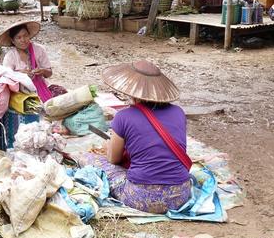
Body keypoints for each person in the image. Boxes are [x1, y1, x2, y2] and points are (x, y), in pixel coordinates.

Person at [74, 60, 191, 214]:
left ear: (131, 90)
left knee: (88, 158)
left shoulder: (123, 117)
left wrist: (109, 145)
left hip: (141, 198)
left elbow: (113, 160)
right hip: (180, 195)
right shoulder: (178, 112)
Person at [0, 21, 67, 102]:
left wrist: (43, 71)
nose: (23, 40)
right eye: (18, 37)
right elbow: (6, 80)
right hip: (21, 93)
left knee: (62, 95)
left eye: (25, 36)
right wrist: (19, 75)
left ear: (29, 36)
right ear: (13, 41)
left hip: (41, 88)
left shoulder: (39, 49)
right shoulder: (10, 56)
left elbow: (49, 73)